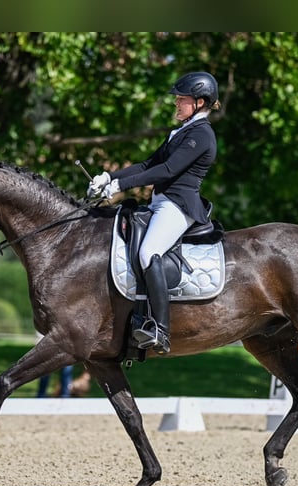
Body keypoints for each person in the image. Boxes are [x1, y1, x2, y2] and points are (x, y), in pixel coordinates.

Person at [88, 71, 221, 355]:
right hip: (160, 202)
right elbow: (148, 164)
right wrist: (108, 177)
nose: (176, 104)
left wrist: (120, 185)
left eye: (182, 100)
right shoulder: (183, 130)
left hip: (178, 206)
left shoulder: (201, 134)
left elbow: (168, 170)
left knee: (149, 253)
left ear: (199, 102)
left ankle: (159, 329)